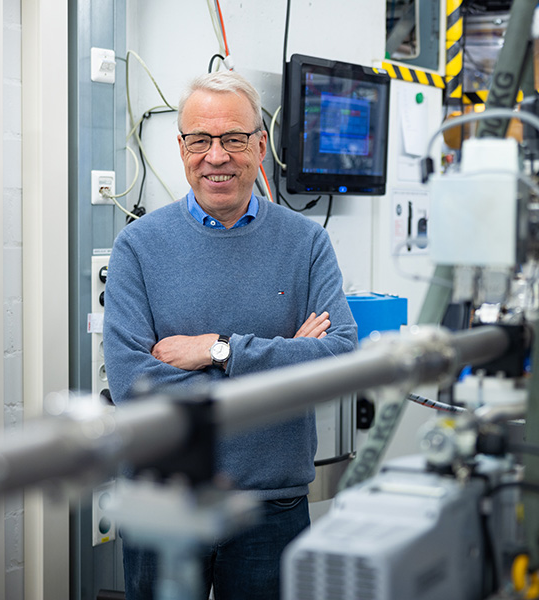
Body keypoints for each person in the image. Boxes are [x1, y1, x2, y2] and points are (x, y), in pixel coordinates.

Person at [103, 70, 358, 600]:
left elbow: (337, 360)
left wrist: (215, 350)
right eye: (201, 139)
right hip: (165, 499)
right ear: (181, 148)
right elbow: (134, 388)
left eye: (234, 139)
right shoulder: (137, 246)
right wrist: (287, 360)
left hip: (272, 503)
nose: (216, 156)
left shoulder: (307, 243)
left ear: (260, 147)